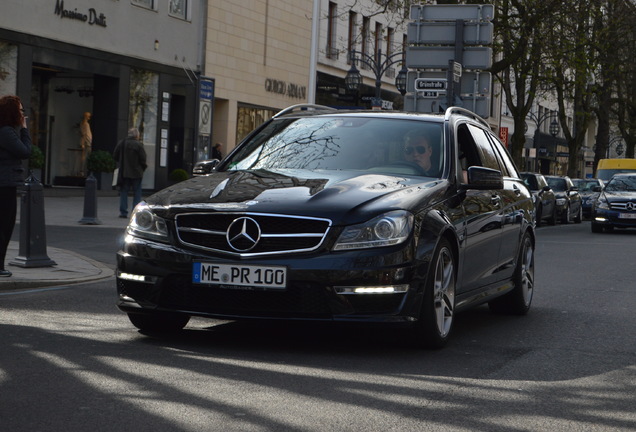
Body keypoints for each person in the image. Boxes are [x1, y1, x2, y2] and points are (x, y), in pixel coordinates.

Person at [0, 95, 32, 277]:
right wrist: (25, 130)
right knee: (4, 226)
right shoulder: (6, 132)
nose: (22, 114)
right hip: (4, 185)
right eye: (20, 110)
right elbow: (25, 151)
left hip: (5, 183)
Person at [113, 128, 147, 218]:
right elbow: (143, 159)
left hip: (124, 172)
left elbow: (115, 155)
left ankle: (123, 212)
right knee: (137, 193)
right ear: (136, 135)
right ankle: (135, 212)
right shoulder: (138, 145)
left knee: (124, 192)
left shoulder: (122, 143)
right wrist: (143, 168)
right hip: (137, 172)